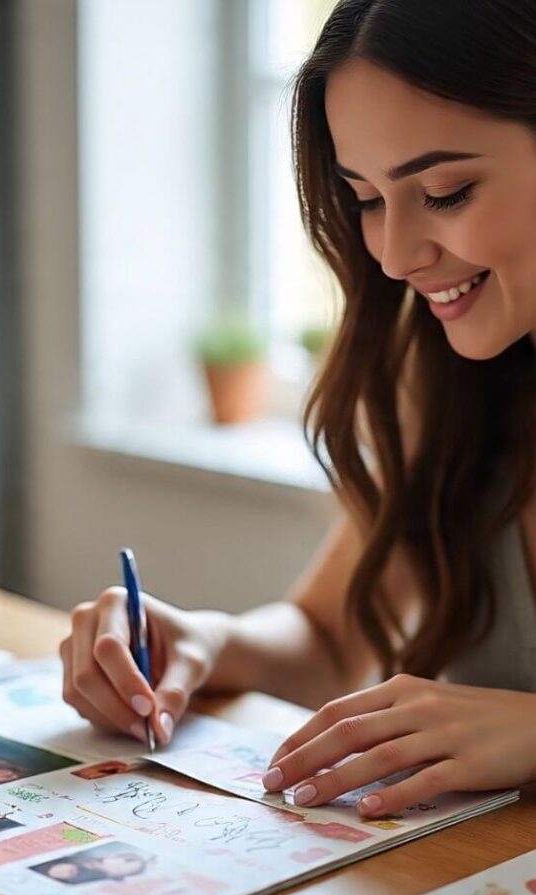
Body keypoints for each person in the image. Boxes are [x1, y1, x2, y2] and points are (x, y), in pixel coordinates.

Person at [60, 0, 536, 820]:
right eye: (368, 198)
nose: (394, 256)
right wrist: (205, 642)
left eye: (445, 191)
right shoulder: (446, 378)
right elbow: (329, 638)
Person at [32, 848, 154, 886]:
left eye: (123, 870)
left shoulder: (91, 877)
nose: (119, 865)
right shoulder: (83, 855)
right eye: (125, 860)